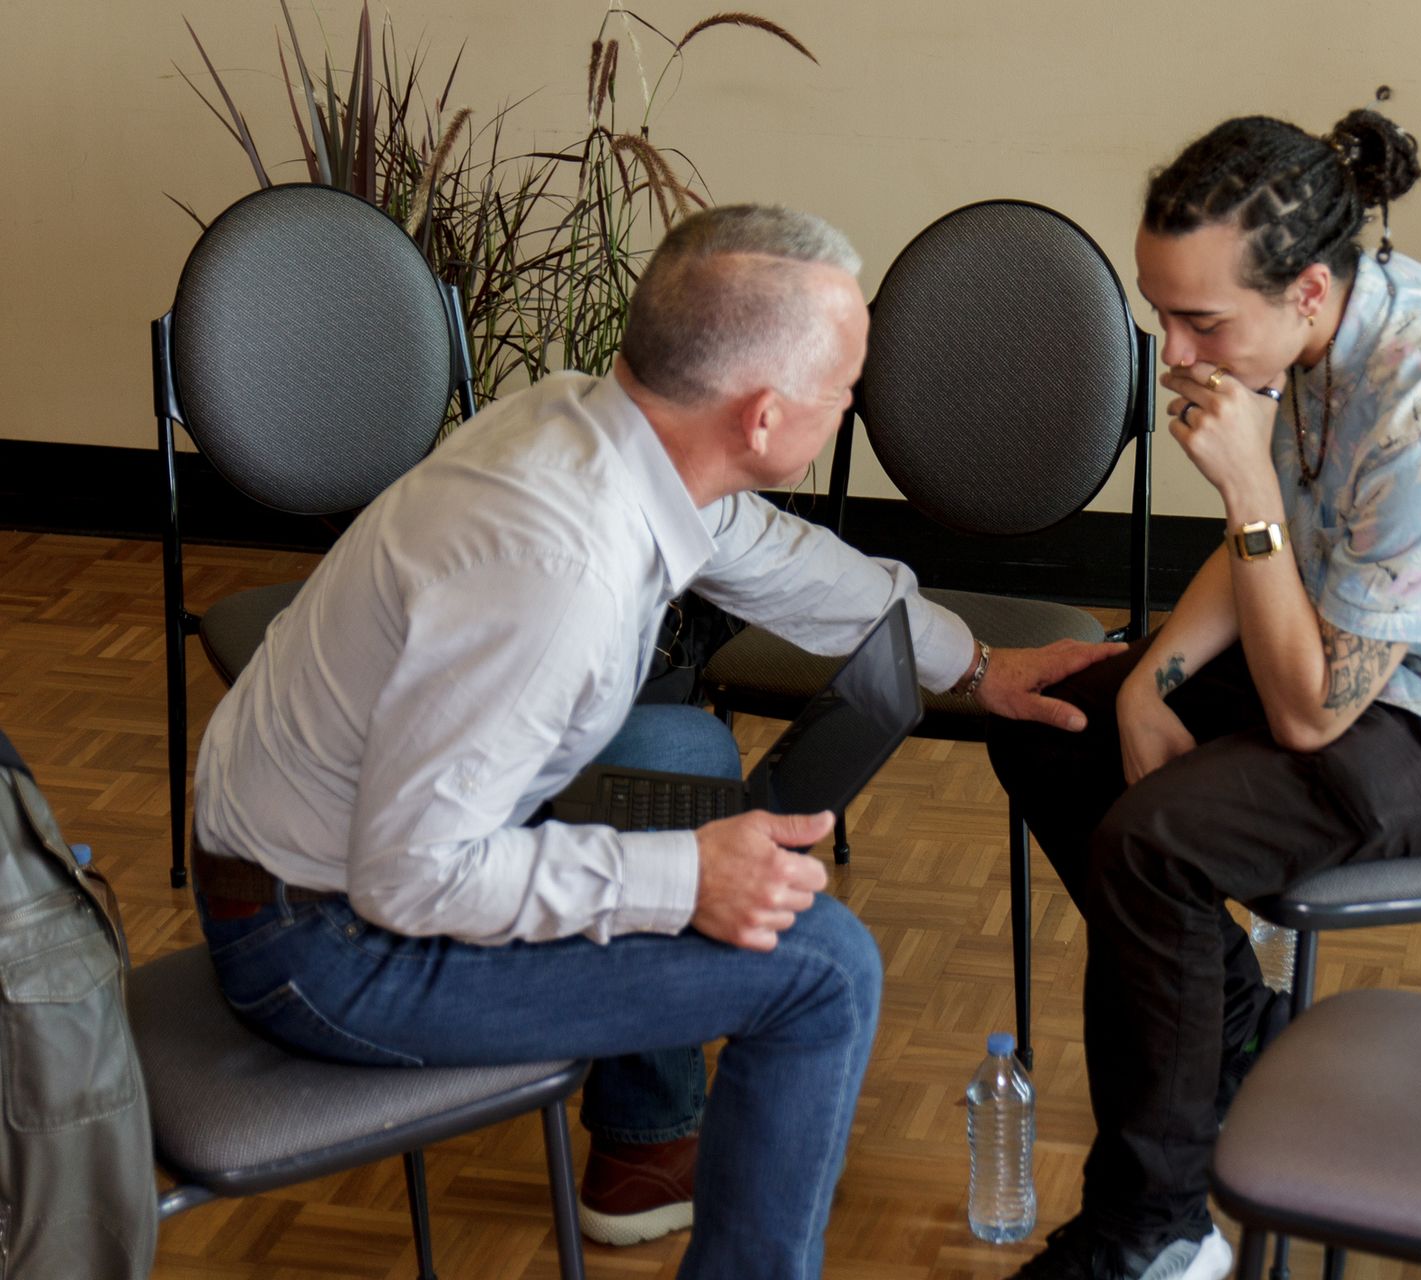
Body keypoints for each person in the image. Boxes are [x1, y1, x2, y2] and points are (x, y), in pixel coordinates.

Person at [188, 204, 1118, 1280]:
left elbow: (772, 555)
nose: (856, 400)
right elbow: (413, 876)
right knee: (825, 969)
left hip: (336, 849)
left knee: (682, 752)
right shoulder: (558, 571)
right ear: (764, 418)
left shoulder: (595, 421)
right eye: (844, 386)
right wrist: (684, 877)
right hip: (321, 943)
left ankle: (641, 1150)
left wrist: (975, 664)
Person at [987, 109, 1421, 1280]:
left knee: (1154, 843)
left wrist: (1243, 486)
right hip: (1363, 654)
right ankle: (1225, 1027)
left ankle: (1159, 1227)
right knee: (1057, 722)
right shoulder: (1318, 337)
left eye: (1200, 320)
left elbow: (1310, 709)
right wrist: (1147, 686)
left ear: (1309, 290)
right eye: (1159, 309)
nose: (1172, 351)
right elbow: (1285, 564)